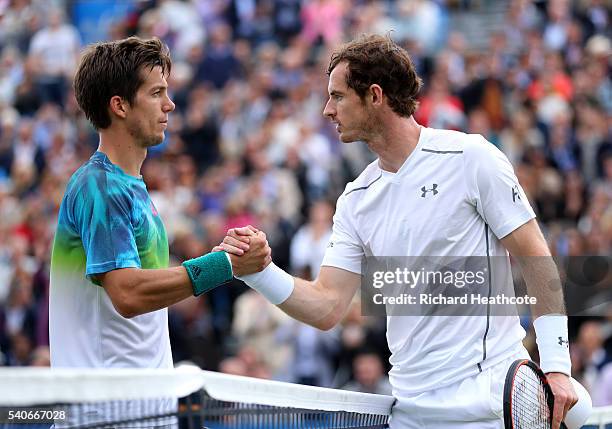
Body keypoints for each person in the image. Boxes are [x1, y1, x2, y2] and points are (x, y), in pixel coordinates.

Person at [216, 34, 577, 429]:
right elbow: (326, 307)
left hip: (488, 403)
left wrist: (557, 367)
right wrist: (259, 271)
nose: (326, 110)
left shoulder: (471, 157)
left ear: (374, 95)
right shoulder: (355, 200)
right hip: (409, 412)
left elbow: (536, 257)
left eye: (337, 97)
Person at [48, 36, 270, 370]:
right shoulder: (100, 185)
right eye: (156, 93)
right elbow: (128, 293)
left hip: (140, 406)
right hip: (106, 413)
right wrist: (223, 265)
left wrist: (218, 258)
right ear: (120, 106)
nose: (170, 104)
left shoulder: (127, 185)